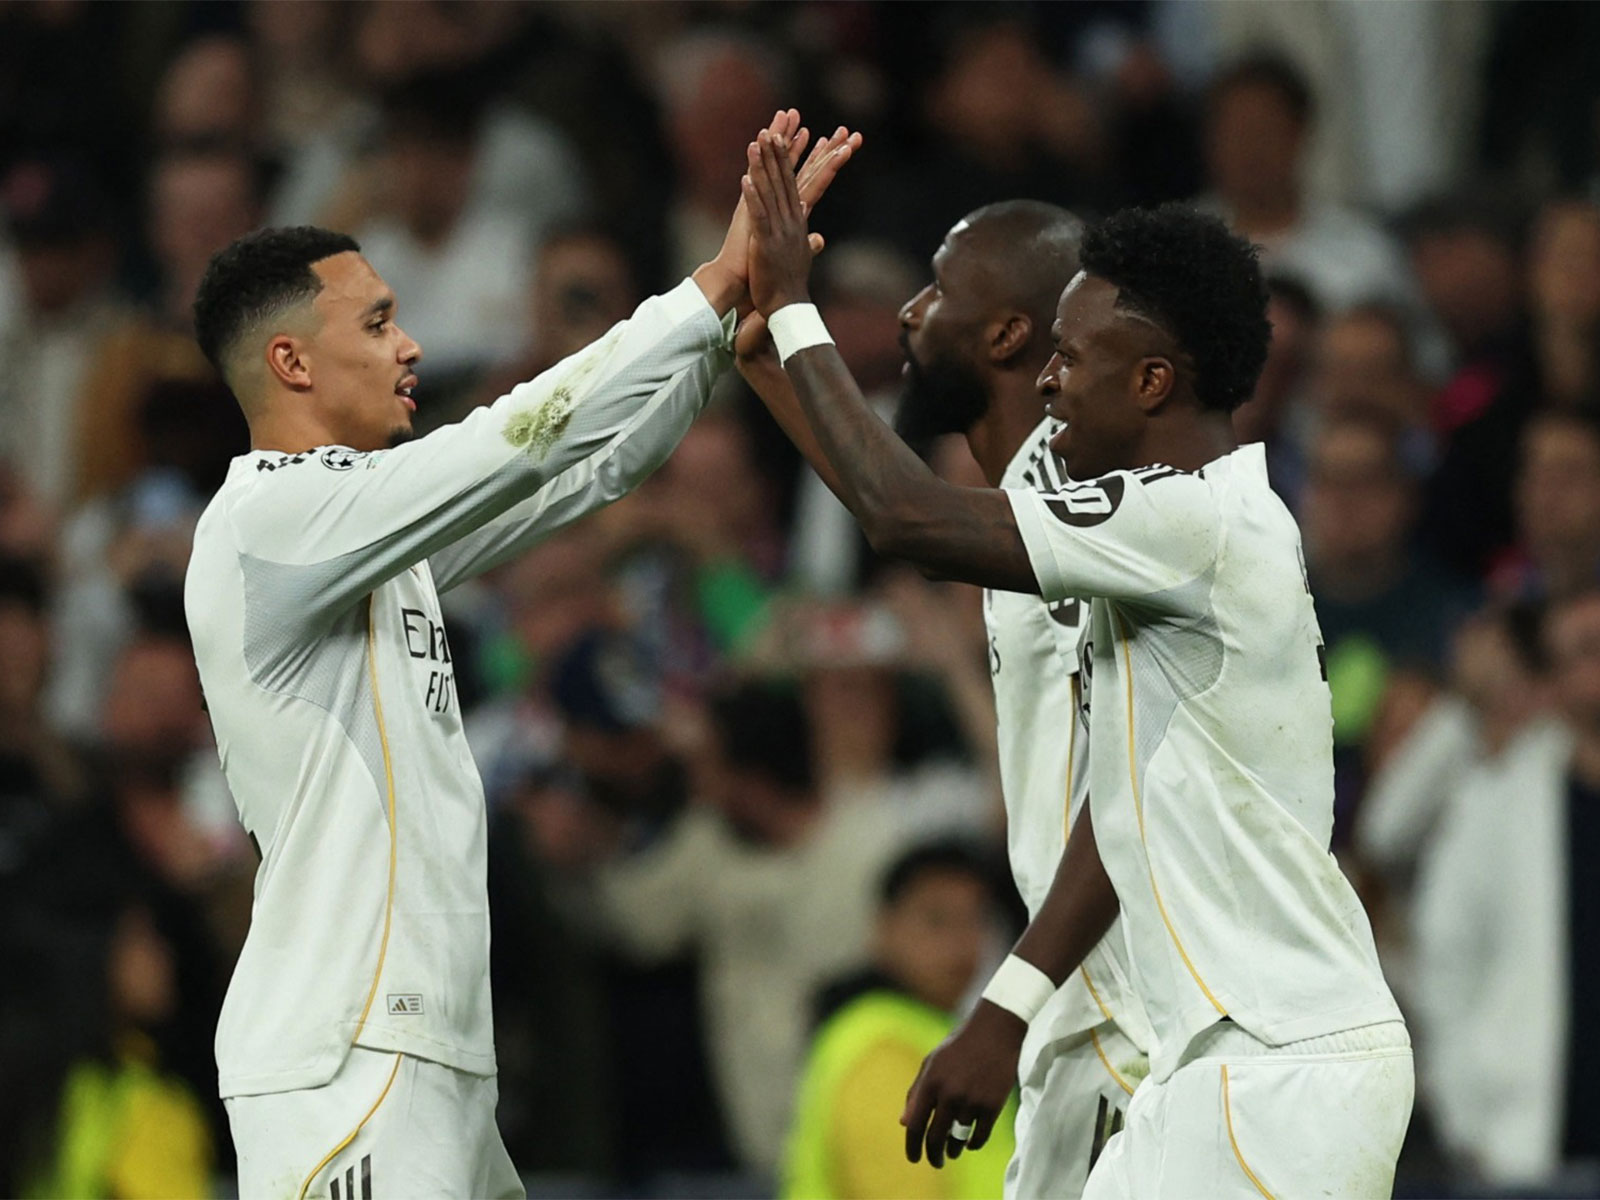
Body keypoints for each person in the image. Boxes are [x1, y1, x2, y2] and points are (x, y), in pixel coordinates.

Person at [181, 112, 857, 1198]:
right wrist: (708, 280)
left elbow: (578, 475)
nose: (408, 345)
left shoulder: (366, 544)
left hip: (430, 1051)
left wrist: (718, 337)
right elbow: (511, 439)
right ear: (290, 360)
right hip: (348, 1055)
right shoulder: (268, 525)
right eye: (378, 323)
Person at [739, 133, 1411, 1196]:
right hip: (1202, 1058)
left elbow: (909, 516)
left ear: (1151, 379)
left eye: (1072, 354)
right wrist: (772, 366)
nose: (1049, 378)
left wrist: (791, 304)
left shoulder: (1194, 523)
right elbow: (1120, 786)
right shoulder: (1149, 530)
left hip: (1267, 1055)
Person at [739, 199, 1151, 1199]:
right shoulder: (1020, 505)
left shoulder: (1098, 506)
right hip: (1081, 1019)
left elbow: (1134, 797)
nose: (911, 314)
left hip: (1152, 1023)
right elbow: (897, 507)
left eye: (936, 291)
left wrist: (799, 316)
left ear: (1008, 333)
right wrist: (762, 356)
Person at [781, 840, 1015, 1200]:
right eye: (936, 920)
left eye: (975, 918)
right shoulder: (882, 1044)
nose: (960, 941)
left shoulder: (937, 1031)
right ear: (884, 928)